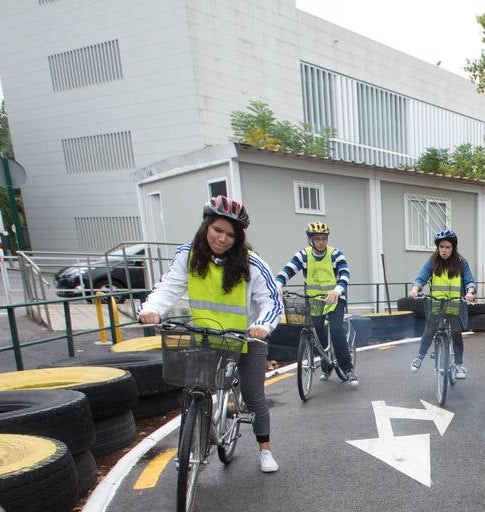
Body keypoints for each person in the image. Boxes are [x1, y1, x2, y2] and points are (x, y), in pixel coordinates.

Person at [137, 195, 284, 473]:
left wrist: (262, 326)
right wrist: (152, 309)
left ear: (238, 238)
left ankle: (264, 450)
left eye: (230, 234)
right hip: (205, 337)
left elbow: (272, 302)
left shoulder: (252, 264)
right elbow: (168, 286)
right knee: (196, 388)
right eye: (218, 230)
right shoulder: (188, 256)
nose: (223, 238)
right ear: (206, 227)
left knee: (254, 397)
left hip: (245, 339)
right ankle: (202, 432)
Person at [275, 221, 357, 386]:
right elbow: (287, 270)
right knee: (317, 334)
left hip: (334, 300)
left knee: (335, 330)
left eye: (324, 238)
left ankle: (348, 370)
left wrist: (337, 290)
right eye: (317, 239)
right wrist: (278, 284)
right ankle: (327, 365)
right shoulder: (303, 255)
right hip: (313, 301)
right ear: (310, 240)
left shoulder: (335, 254)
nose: (321, 242)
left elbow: (345, 274)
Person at [408, 229, 476, 378]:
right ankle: (420, 357)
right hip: (436, 304)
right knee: (430, 329)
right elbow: (421, 278)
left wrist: (470, 292)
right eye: (441, 247)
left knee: (456, 333)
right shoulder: (432, 261)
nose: (444, 250)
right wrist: (414, 290)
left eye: (447, 247)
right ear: (437, 248)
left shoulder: (461, 263)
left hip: (455, 305)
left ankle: (458, 365)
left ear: (453, 248)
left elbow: (469, 280)